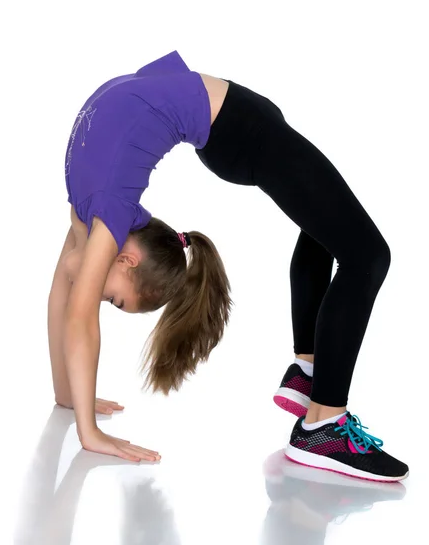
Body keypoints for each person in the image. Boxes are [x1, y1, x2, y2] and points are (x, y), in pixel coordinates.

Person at [48, 50, 408, 481]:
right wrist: (70, 400)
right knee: (357, 250)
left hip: (244, 132)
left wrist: (84, 426)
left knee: (358, 252)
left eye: (113, 299)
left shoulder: (102, 212)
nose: (99, 296)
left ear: (127, 259)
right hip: (239, 129)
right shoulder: (91, 212)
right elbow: (66, 302)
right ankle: (323, 420)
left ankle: (312, 387)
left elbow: (76, 313)